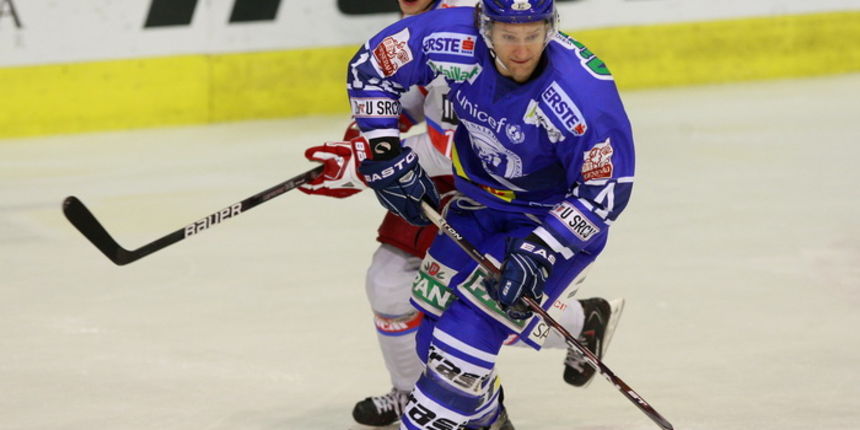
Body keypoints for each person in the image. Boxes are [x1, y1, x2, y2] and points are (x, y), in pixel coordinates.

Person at [344, 0, 635, 428]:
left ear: (551, 27)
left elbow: (606, 190)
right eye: (508, 36)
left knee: (459, 354)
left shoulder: (581, 94)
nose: (522, 50)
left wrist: (541, 251)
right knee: (431, 333)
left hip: (545, 221)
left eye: (533, 35)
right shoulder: (454, 39)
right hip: (477, 204)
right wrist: (384, 150)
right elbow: (371, 67)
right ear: (485, 28)